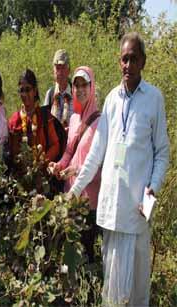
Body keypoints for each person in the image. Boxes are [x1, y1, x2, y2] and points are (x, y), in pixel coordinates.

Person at [68, 32, 169, 306]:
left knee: (136, 288)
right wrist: (75, 190)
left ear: (143, 62)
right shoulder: (112, 99)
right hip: (112, 208)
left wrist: (152, 190)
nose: (128, 65)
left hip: (137, 209)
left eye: (133, 59)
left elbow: (162, 153)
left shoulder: (154, 99)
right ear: (118, 61)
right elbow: (96, 154)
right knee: (112, 286)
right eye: (124, 59)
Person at [49, 66, 101, 263]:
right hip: (70, 194)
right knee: (70, 254)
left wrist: (77, 170)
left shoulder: (100, 122)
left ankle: (90, 293)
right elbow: (70, 152)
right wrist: (59, 166)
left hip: (89, 200)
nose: (79, 90)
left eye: (84, 85)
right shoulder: (73, 118)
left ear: (92, 87)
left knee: (87, 254)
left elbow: (100, 166)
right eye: (76, 85)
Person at [9, 68, 62, 164]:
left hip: (43, 171)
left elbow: (55, 145)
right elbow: (12, 153)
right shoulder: (15, 120)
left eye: (28, 89)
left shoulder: (45, 116)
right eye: (22, 90)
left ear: (35, 91)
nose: (24, 94)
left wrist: (43, 161)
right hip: (21, 174)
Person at [43, 49, 73, 129]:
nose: (60, 72)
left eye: (63, 68)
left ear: (69, 70)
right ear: (53, 71)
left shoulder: (75, 93)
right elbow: (44, 122)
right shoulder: (50, 94)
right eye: (57, 68)